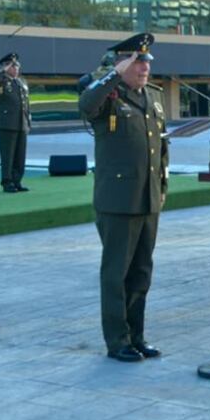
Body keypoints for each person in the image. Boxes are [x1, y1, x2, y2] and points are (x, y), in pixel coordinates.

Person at [78, 33, 167, 362]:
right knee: (116, 274)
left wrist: (163, 187)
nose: (144, 68)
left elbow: (162, 148)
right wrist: (114, 73)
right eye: (137, 62)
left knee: (142, 272)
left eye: (146, 62)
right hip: (118, 201)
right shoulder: (108, 96)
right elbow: (86, 106)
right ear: (122, 64)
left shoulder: (153, 97)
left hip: (148, 200)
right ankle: (118, 341)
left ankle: (137, 336)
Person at [0, 53, 32, 193]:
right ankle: (7, 182)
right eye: (12, 66)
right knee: (8, 155)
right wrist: (2, 71)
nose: (16, 68)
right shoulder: (0, 80)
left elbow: (26, 104)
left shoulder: (21, 82)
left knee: (20, 155)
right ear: (6, 67)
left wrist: (28, 121)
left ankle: (17, 180)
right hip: (7, 123)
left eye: (17, 65)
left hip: (21, 123)